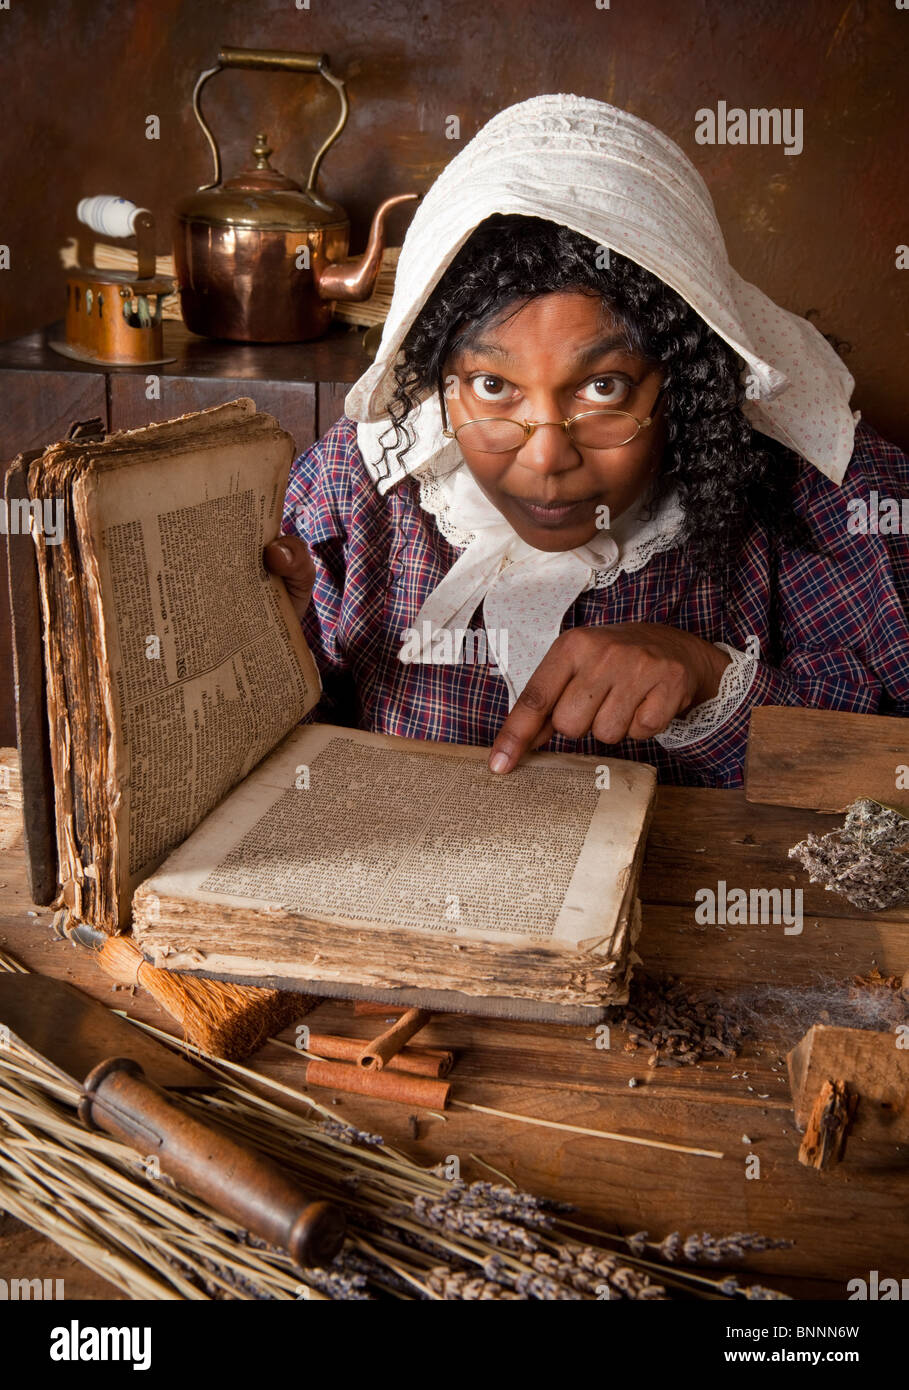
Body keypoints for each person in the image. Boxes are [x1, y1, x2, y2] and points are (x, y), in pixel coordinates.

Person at [265, 94, 909, 788]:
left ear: (681, 377)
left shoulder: (819, 494)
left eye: (602, 388)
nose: (545, 458)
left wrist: (708, 679)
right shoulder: (354, 486)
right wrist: (271, 652)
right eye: (490, 387)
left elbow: (885, 771)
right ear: (438, 380)